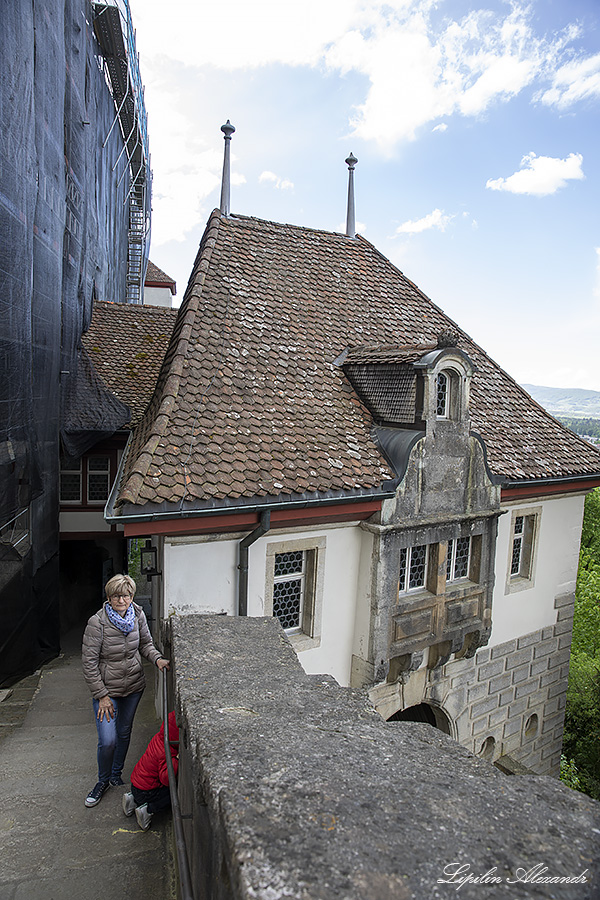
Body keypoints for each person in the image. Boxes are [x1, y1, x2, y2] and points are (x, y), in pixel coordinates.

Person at [82, 573, 169, 808]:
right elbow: (89, 663)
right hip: (107, 692)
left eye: (126, 595)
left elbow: (145, 644)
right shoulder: (97, 623)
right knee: (107, 740)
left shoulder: (138, 615)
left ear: (131, 596)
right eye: (116, 596)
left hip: (133, 687)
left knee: (123, 733)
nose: (121, 600)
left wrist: (158, 659)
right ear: (109, 597)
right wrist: (101, 696)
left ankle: (115, 775)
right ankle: (102, 781)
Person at [122, 710, 179, 831]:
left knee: (144, 786)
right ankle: (148, 810)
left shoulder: (158, 738)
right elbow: (166, 779)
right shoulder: (167, 752)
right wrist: (176, 761)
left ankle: (132, 799)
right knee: (173, 795)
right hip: (146, 792)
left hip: (136, 784)